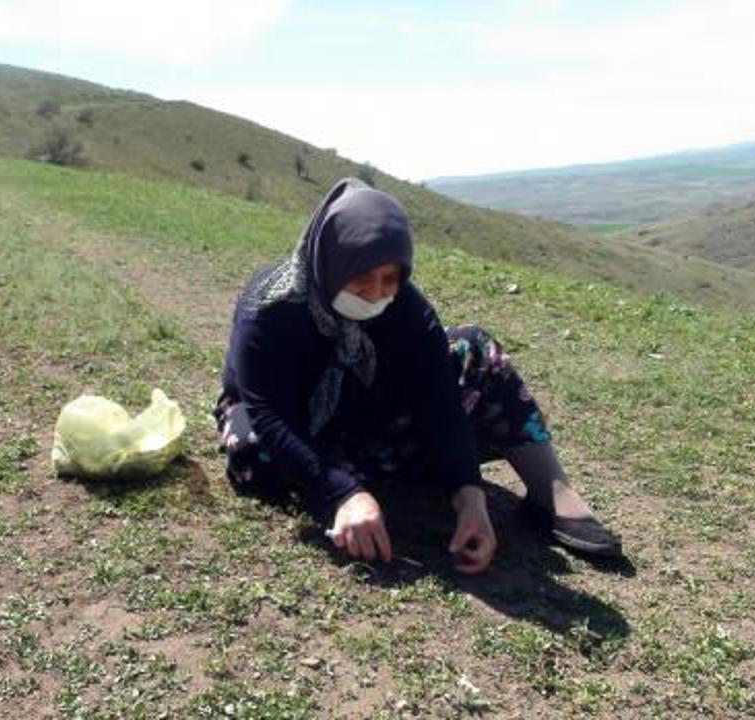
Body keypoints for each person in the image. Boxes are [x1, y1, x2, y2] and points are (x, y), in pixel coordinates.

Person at [215, 178, 621, 574]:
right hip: (292, 420)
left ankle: (549, 494)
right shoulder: (268, 308)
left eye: (390, 279)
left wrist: (469, 496)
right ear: (331, 262)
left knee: (472, 348)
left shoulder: (406, 308)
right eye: (361, 279)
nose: (376, 294)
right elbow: (270, 414)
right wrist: (343, 493)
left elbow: (438, 399)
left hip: (369, 416)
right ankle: (355, 481)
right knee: (253, 451)